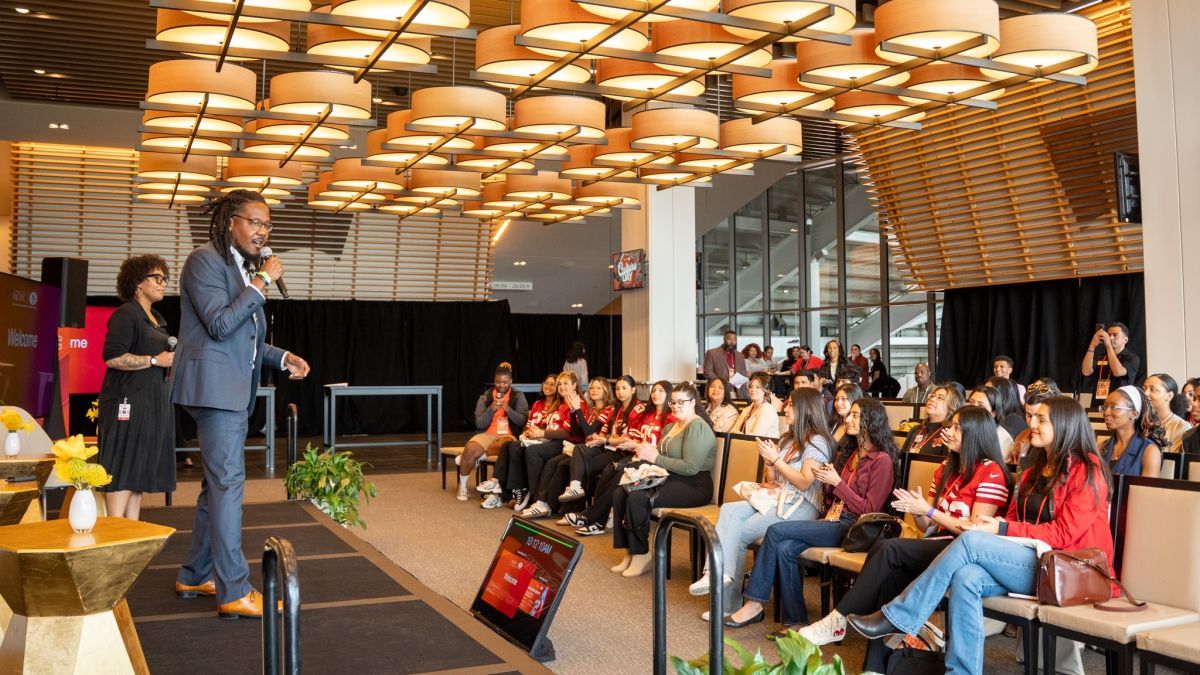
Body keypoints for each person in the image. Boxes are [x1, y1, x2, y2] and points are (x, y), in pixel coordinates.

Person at [847, 397, 1115, 675]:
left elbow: (1064, 533)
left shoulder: (1088, 471)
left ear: (1066, 426)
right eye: (1033, 417)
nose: (1031, 423)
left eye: (1041, 419)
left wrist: (999, 529)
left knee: (971, 540)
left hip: (1067, 569)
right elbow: (1014, 518)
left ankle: (900, 616)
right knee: (967, 577)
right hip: (1032, 560)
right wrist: (995, 523)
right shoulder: (1035, 468)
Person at [172, 190, 311, 619]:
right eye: (254, 222)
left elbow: (244, 338)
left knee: (215, 486)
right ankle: (233, 587)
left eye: (267, 225)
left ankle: (195, 574)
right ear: (230, 221)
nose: (262, 231)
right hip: (214, 392)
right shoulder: (204, 262)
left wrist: (281, 356)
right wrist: (262, 282)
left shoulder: (240, 270)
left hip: (230, 389)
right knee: (230, 485)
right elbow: (219, 324)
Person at [799, 406, 1012, 672]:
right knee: (888, 573)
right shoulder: (947, 468)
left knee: (890, 550)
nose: (950, 432)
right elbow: (928, 525)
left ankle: (837, 620)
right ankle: (874, 667)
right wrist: (918, 510)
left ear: (976, 433)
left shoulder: (992, 473)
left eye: (958, 427)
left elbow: (974, 532)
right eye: (952, 425)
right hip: (937, 543)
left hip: (965, 552)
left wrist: (930, 510)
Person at [724, 397, 897, 629]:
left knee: (776, 531)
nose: (849, 419)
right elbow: (834, 496)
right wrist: (827, 484)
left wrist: (838, 484)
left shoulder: (881, 460)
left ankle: (754, 603)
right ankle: (796, 621)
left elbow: (870, 510)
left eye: (856, 415)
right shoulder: (852, 454)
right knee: (785, 549)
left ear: (872, 422)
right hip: (834, 519)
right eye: (851, 414)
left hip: (855, 528)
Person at [690, 388, 834, 617]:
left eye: (790, 405)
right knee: (729, 510)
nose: (785, 409)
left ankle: (728, 604)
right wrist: (769, 463)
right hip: (779, 498)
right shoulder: (790, 439)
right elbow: (773, 480)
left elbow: (806, 483)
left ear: (805, 410)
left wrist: (776, 459)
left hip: (802, 506)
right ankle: (714, 574)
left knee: (739, 532)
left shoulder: (818, 443)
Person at [96, 255, 176, 521]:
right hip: (126, 402)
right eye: (157, 278)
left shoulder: (156, 318)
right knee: (123, 465)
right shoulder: (126, 314)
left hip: (152, 403)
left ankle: (132, 529)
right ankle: (115, 529)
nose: (163, 283)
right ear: (138, 283)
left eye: (165, 278)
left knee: (140, 469)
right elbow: (113, 357)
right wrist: (155, 360)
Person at [609, 382, 716, 578]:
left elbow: (690, 467)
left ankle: (641, 553)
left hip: (695, 485)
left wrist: (655, 458)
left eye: (680, 403)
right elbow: (661, 458)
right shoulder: (670, 427)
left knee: (637, 497)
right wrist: (648, 462)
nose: (675, 406)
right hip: (671, 477)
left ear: (693, 402)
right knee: (620, 492)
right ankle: (630, 551)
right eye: (673, 402)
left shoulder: (698, 426)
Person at [564, 375, 649, 531]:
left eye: (624, 388)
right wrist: (601, 438)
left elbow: (627, 438)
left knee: (598, 470)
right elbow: (597, 434)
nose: (620, 392)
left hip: (626, 453)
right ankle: (579, 495)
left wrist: (606, 440)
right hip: (612, 449)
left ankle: (591, 518)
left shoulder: (638, 408)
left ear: (633, 390)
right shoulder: (615, 408)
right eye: (617, 388)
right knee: (581, 452)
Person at [481, 373, 558, 510]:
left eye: (552, 384)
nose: (548, 386)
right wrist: (527, 432)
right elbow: (528, 424)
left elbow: (554, 427)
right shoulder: (537, 404)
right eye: (545, 383)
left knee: (516, 447)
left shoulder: (559, 405)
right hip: (531, 439)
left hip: (546, 440)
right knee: (507, 446)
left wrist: (538, 434)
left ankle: (519, 491)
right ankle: (497, 486)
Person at [456, 362, 529, 501]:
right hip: (487, 434)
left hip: (508, 435)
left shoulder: (518, 396)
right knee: (470, 448)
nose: (501, 385)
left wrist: (508, 409)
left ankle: (478, 457)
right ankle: (463, 486)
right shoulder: (485, 397)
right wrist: (491, 408)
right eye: (498, 382)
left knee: (504, 443)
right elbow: (479, 423)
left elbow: (521, 421)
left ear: (511, 381)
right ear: (494, 380)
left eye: (505, 382)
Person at [518, 371, 578, 518]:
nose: (562, 387)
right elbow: (548, 425)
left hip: (568, 444)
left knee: (533, 452)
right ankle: (536, 499)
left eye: (566, 384)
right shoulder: (560, 404)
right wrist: (535, 432)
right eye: (560, 384)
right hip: (554, 440)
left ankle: (537, 498)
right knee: (522, 448)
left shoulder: (576, 403)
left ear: (575, 386)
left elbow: (567, 432)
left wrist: (542, 434)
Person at [551, 377, 615, 506]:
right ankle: (552, 506)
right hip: (587, 448)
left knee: (578, 455)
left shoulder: (609, 409)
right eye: (591, 387)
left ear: (606, 390)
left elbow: (589, 432)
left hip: (600, 448)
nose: (594, 390)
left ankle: (575, 497)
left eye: (598, 388)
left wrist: (578, 409)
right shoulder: (591, 410)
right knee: (561, 464)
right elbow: (575, 432)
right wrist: (573, 411)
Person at [1100, 385, 1163, 477]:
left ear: (1133, 414)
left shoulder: (1149, 451)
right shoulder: (1101, 447)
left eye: (1114, 407)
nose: (1106, 412)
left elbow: (1148, 490)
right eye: (1105, 407)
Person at [1081, 322, 1140, 403]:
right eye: (1109, 335)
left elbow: (1118, 372)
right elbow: (1086, 372)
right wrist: (1092, 345)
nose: (1111, 338)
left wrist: (1108, 345)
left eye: (1115, 335)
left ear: (1125, 339)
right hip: (1099, 402)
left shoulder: (1132, 358)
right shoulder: (1101, 356)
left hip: (1120, 403)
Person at [1011, 378, 1061, 467]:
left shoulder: (1068, 451)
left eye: (1040, 417)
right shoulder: (1022, 438)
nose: (1032, 424)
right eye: (1029, 415)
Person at [900, 384, 963, 455]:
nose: (932, 399)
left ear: (951, 407)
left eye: (940, 398)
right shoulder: (915, 429)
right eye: (932, 396)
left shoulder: (948, 435)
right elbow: (901, 458)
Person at [1142, 373, 1192, 451]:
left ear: (1169, 396)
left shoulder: (1182, 427)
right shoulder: (1139, 422)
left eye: (1152, 390)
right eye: (1144, 389)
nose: (1145, 393)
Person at [966, 385, 1015, 461]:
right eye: (971, 402)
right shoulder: (964, 427)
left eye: (981, 406)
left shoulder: (1000, 437)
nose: (973, 408)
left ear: (993, 413)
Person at [731, 372, 780, 438]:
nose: (753, 390)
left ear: (764, 391)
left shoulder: (768, 410)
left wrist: (737, 434)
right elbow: (733, 430)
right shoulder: (747, 409)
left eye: (757, 387)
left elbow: (755, 437)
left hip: (760, 446)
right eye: (751, 387)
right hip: (742, 444)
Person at [704, 330, 748, 397]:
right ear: (724, 339)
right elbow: (707, 372)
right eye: (729, 339)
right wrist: (722, 383)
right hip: (717, 390)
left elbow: (743, 373)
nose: (732, 342)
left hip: (736, 391)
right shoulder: (712, 353)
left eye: (734, 339)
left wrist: (744, 392)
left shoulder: (740, 356)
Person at [829, 383, 863, 470]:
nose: (838, 403)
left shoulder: (857, 429)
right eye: (836, 399)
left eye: (843, 399)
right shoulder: (833, 423)